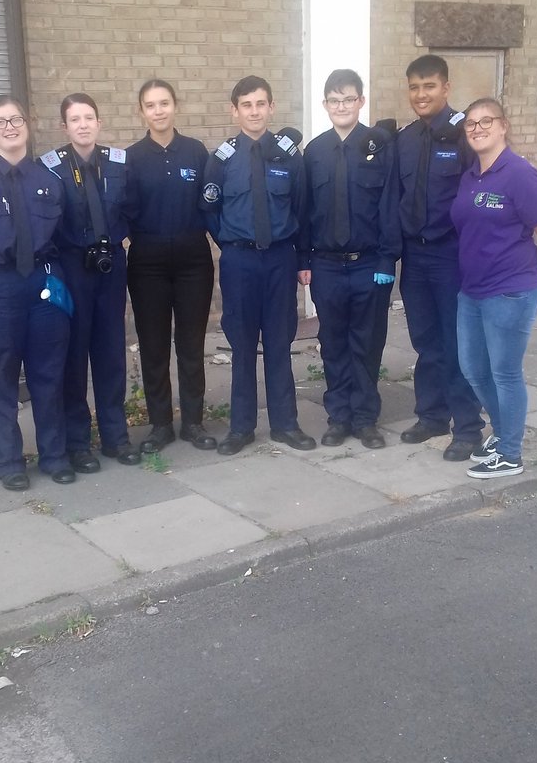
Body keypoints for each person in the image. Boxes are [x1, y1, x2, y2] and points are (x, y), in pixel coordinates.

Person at [0, 95, 74, 491]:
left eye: (16, 119)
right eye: (0, 121)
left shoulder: (48, 180)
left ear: (29, 124)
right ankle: (9, 461)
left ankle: (55, 455)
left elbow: (63, 237)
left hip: (42, 286)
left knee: (48, 374)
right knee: (2, 375)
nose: (10, 127)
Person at [201, 74, 316, 456]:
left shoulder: (288, 157)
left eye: (260, 104)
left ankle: (286, 424)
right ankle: (241, 427)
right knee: (243, 343)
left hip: (281, 259)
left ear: (271, 107)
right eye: (246, 105)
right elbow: (210, 209)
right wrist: (233, 243)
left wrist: (298, 256)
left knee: (281, 341)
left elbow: (301, 208)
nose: (254, 111)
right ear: (235, 111)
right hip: (239, 261)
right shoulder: (221, 159)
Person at [451, 98, 537, 478]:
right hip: (472, 290)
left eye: (486, 122)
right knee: (473, 370)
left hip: (510, 291)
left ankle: (511, 453)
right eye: (470, 124)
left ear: (503, 126)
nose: (477, 129)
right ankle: (503, 433)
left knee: (505, 373)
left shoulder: (520, 175)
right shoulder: (471, 176)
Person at [300, 69, 400, 449]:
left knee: (367, 342)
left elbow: (390, 205)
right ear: (325, 105)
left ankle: (365, 418)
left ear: (361, 101)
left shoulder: (379, 145)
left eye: (349, 99)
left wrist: (387, 262)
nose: (341, 106)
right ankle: (339, 417)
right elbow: (304, 210)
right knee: (333, 342)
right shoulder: (315, 151)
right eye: (334, 100)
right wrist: (303, 259)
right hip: (326, 265)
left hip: (368, 264)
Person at [40, 93, 140, 472]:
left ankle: (116, 437)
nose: (83, 125)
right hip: (72, 267)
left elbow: (132, 208)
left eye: (89, 118)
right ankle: (78, 442)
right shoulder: (50, 168)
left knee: (111, 352)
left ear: (98, 122)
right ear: (64, 127)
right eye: (74, 119)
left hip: (111, 265)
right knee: (74, 355)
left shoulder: (118, 163)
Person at [395, 55, 484, 460]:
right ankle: (431, 415)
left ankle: (467, 427)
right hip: (415, 257)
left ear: (446, 88)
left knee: (456, 343)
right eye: (414, 87)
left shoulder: (466, 134)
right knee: (426, 341)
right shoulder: (407, 139)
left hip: (451, 256)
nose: (421, 94)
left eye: (429, 86)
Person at [125, 79, 216, 454]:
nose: (158, 111)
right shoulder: (130, 157)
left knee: (192, 344)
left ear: (175, 106)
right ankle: (160, 424)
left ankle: (193, 421)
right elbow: (122, 211)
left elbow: (211, 204)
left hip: (193, 261)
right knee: (153, 346)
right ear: (142, 112)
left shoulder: (196, 152)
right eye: (150, 105)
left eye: (164, 103)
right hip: (147, 264)